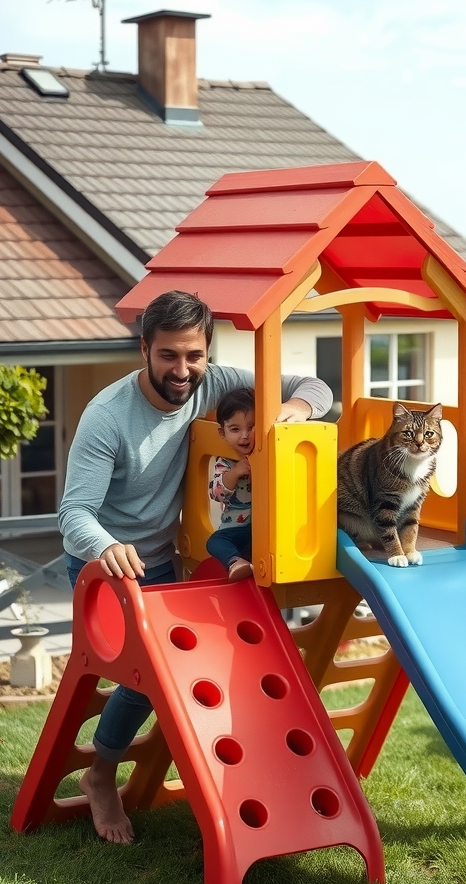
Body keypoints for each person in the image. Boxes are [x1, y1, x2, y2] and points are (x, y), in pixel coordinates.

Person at [58, 289, 332, 843]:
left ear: (207, 353)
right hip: (103, 566)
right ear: (144, 350)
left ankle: (221, 775)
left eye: (193, 355)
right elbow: (73, 514)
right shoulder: (106, 417)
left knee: (196, 672)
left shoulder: (214, 383)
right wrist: (107, 547)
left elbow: (317, 386)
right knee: (146, 680)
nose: (182, 370)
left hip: (164, 564)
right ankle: (101, 777)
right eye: (168, 356)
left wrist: (292, 413)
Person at [207, 386, 255, 581]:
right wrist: (234, 473)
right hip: (235, 529)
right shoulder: (225, 462)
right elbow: (217, 493)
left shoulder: (270, 456)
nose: (244, 435)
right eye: (235, 429)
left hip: (264, 529)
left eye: (252, 427)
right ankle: (236, 562)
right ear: (222, 433)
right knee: (214, 542)